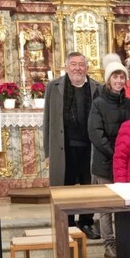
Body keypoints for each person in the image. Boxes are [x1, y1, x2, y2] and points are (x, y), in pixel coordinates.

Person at [43, 52, 101, 239]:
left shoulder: (96, 88)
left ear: (87, 68)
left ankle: (86, 221)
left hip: (88, 147)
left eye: (81, 64)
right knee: (65, 186)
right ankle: (66, 222)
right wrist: (47, 150)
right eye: (73, 64)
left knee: (87, 187)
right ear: (66, 67)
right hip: (63, 147)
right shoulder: (54, 87)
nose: (77, 68)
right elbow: (48, 119)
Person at [88, 56, 130, 258]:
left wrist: (126, 154)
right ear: (108, 80)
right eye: (115, 77)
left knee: (124, 202)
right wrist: (115, 153)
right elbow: (95, 132)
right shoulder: (98, 103)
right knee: (107, 206)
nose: (118, 81)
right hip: (106, 161)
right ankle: (109, 243)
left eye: (121, 77)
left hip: (126, 162)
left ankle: (126, 240)